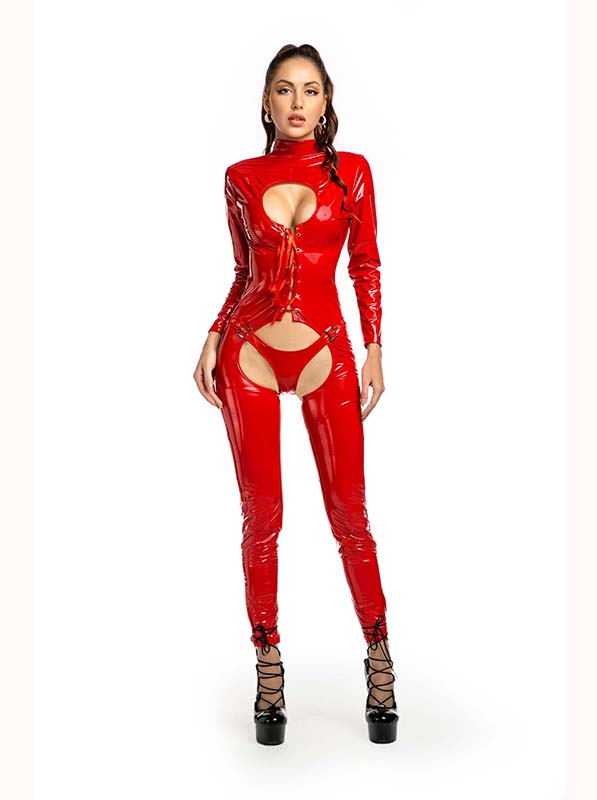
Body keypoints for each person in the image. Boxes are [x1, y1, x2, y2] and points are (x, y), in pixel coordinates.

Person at [194, 44, 398, 746]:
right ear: (266, 102)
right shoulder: (240, 177)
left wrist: (373, 348)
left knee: (349, 515)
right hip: (248, 351)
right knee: (263, 517)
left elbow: (365, 263)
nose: (298, 102)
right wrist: (214, 335)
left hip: (326, 353)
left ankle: (379, 661)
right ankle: (268, 669)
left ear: (327, 100)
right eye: (284, 90)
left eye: (311, 90)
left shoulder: (352, 172)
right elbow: (241, 271)